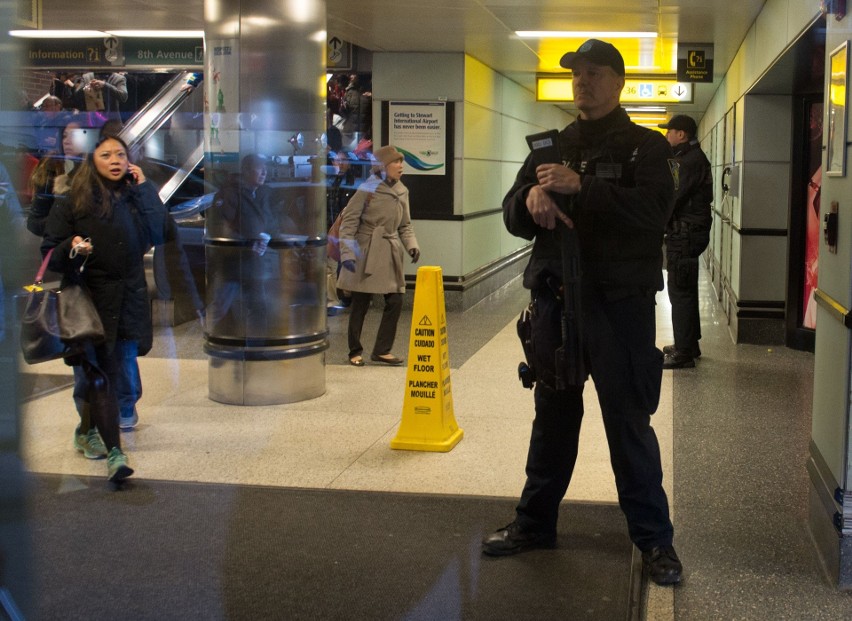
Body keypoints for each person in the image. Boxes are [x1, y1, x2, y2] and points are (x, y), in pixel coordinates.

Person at [482, 39, 682, 586]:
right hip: (558, 309)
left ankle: (655, 542)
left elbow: (654, 212)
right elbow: (510, 210)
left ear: (619, 82)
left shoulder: (646, 148)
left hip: (621, 311)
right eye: (576, 75)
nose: (583, 83)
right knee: (552, 422)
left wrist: (582, 187)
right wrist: (529, 200)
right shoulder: (551, 146)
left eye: (595, 74)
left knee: (628, 426)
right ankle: (534, 524)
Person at [42, 133, 167, 483]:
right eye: (106, 154)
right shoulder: (72, 202)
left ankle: (86, 430)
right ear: (92, 161)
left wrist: (144, 188)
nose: (115, 160)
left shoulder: (133, 197)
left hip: (127, 300)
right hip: (89, 301)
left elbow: (162, 232)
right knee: (100, 375)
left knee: (106, 375)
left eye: (121, 154)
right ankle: (115, 452)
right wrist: (72, 245)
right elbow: (50, 252)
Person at [337, 145, 420, 367]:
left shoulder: (403, 190)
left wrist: (412, 245)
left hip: (390, 251)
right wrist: (347, 254)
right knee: (361, 302)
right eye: (396, 162)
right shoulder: (367, 189)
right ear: (383, 166)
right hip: (365, 251)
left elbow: (405, 225)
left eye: (402, 162)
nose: (401, 166)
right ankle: (354, 350)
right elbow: (348, 224)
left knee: (395, 299)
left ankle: (382, 350)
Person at [657, 115, 713, 369]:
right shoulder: (690, 158)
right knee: (685, 288)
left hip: (685, 233)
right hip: (688, 232)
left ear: (681, 134)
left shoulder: (688, 161)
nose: (667, 136)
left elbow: (672, 196)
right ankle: (689, 344)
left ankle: (683, 353)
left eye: (670, 132)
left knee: (679, 289)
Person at [204, 154, 280, 335]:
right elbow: (219, 228)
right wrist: (248, 244)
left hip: (252, 265)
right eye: (259, 167)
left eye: (265, 168)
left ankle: (256, 350)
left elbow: (270, 223)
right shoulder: (230, 193)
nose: (264, 172)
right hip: (232, 265)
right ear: (246, 170)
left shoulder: (260, 194)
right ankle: (215, 344)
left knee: (258, 309)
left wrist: (267, 236)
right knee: (220, 307)